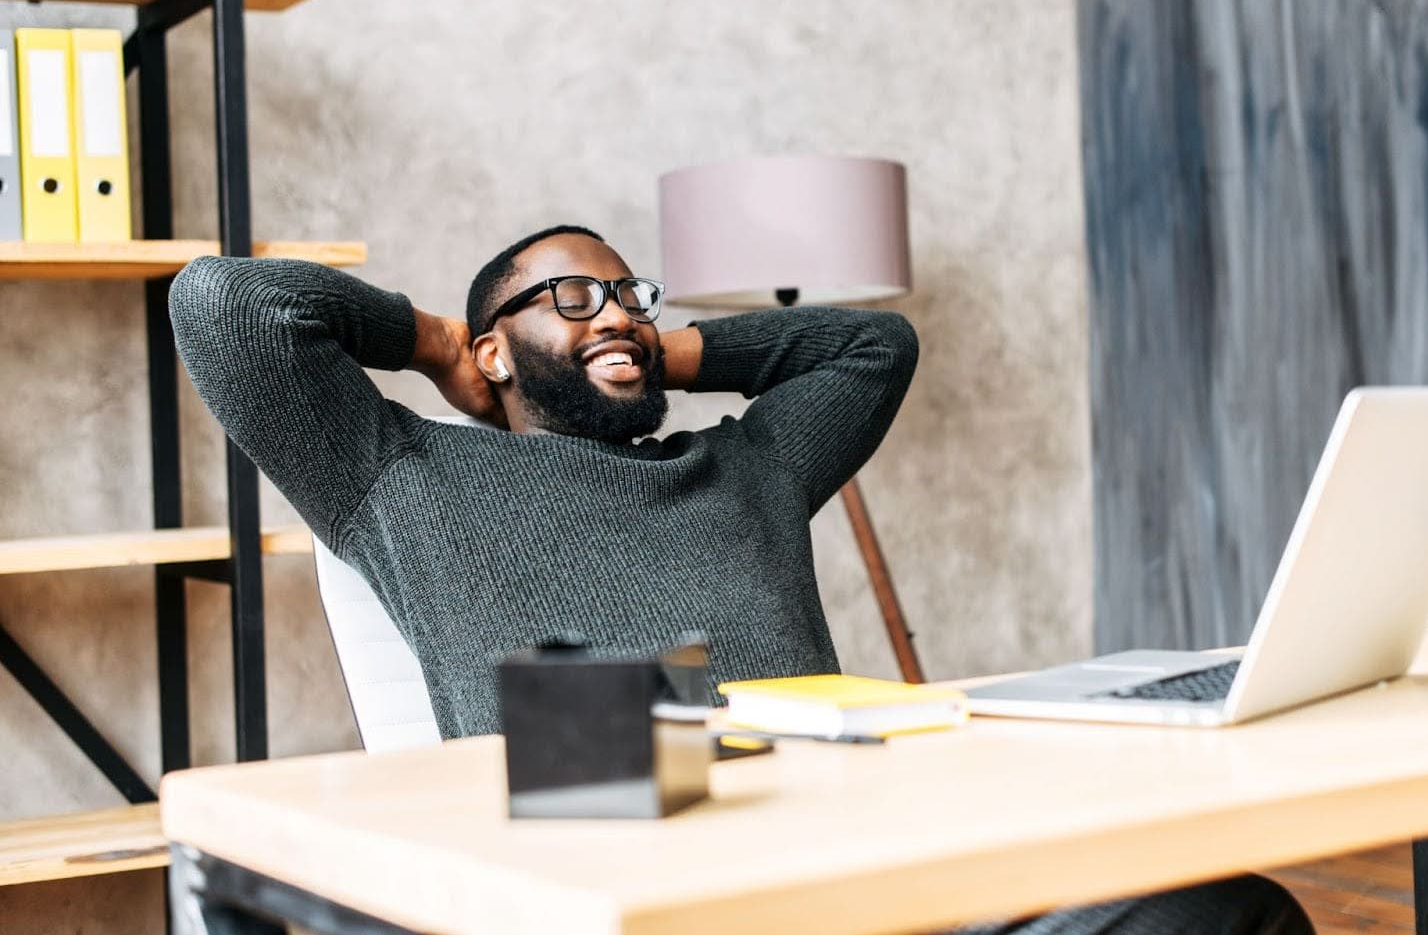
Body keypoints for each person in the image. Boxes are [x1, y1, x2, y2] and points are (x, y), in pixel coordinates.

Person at [169, 225, 1310, 935]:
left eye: (630, 294)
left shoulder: (748, 466)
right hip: (637, 897)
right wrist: (435, 343)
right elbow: (222, 303)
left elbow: (872, 349)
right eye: (569, 297)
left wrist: (654, 352)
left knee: (1225, 911)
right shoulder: (404, 477)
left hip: (879, 878)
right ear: (496, 347)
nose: (614, 309)